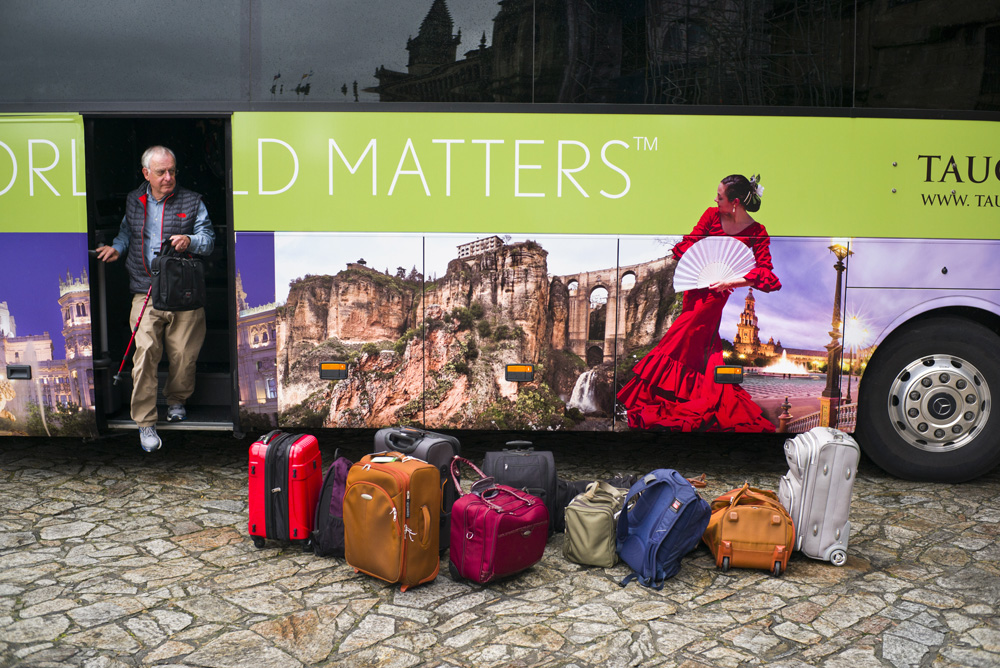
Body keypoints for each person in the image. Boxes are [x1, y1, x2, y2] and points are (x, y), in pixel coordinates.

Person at [617, 174, 780, 432]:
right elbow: (692, 241)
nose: (715, 199)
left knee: (681, 336)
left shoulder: (757, 232)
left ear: (735, 202)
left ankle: (655, 396)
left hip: (717, 293)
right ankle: (684, 395)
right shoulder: (711, 215)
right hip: (694, 287)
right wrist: (685, 251)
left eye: (720, 196)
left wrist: (733, 282)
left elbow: (767, 273)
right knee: (694, 341)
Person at [96, 146, 215, 452]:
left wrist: (191, 240)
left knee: (184, 356)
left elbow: (210, 240)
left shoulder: (193, 201)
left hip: (184, 291)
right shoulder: (135, 202)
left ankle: (176, 401)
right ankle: (145, 422)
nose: (168, 177)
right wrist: (116, 249)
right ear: (146, 173)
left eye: (172, 171)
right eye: (161, 172)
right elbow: (126, 233)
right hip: (145, 289)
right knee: (145, 354)